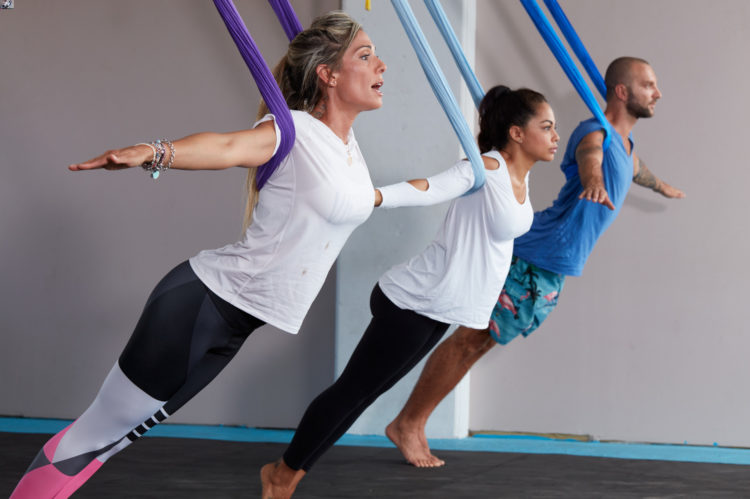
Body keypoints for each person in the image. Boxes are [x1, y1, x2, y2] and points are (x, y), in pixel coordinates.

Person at [10, 11, 388, 498]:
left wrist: (453, 183)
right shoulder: (291, 131)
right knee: (96, 435)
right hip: (202, 306)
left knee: (114, 441)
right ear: (328, 74)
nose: (381, 65)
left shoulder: (349, 148)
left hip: (235, 323)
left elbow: (364, 200)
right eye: (365, 55)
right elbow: (228, 146)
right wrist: (153, 151)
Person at [260, 85, 561, 498]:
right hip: (412, 302)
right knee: (354, 392)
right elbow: (430, 187)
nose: (555, 135)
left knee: (363, 391)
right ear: (516, 133)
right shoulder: (485, 169)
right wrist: (374, 197)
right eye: (546, 126)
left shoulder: (517, 180)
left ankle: (287, 472)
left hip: (436, 307)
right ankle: (281, 475)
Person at [386, 56, 686, 468]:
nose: (658, 93)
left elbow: (633, 167)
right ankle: (408, 424)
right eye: (649, 85)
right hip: (535, 252)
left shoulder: (626, 146)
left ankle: (411, 422)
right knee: (470, 338)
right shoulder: (595, 132)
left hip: (553, 263)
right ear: (622, 91)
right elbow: (591, 155)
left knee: (481, 342)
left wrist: (663, 186)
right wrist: (593, 179)